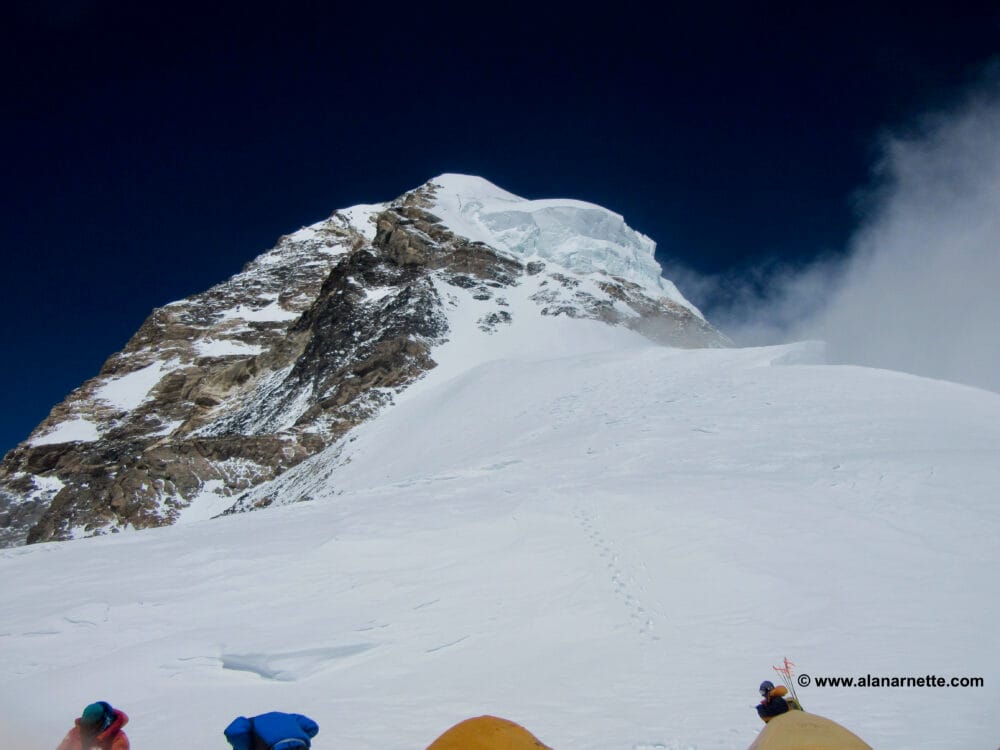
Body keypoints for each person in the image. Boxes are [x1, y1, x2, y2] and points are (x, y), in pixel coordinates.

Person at [224, 711, 320, 750]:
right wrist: (298, 735)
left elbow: (234, 733)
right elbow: (312, 727)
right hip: (300, 745)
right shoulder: (288, 717)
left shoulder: (248, 724)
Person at [57, 701, 130, 750]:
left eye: (92, 727)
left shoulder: (118, 740)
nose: (87, 730)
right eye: (85, 726)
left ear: (106, 723)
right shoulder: (75, 732)